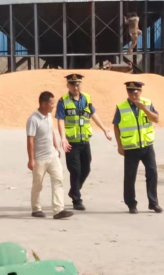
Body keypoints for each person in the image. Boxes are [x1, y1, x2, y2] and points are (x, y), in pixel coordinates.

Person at [56, 73, 112, 211]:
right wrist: (63, 138)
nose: (75, 87)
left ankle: (74, 190)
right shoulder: (63, 101)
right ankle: (77, 199)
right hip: (71, 142)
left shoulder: (86, 98)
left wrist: (104, 128)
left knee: (86, 169)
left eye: (77, 84)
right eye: (72, 84)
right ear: (67, 85)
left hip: (85, 141)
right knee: (75, 170)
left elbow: (93, 114)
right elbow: (60, 120)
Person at [113, 80, 163, 214]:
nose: (133, 95)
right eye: (130, 92)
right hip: (131, 147)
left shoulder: (147, 103)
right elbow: (116, 126)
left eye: (136, 92)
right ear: (127, 92)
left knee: (152, 174)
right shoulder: (121, 107)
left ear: (141, 91)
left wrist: (144, 109)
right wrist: (119, 145)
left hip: (147, 146)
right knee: (130, 177)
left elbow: (156, 119)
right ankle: (131, 204)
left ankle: (153, 203)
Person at [26, 91, 73, 220]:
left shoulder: (49, 116)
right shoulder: (33, 119)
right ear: (43, 104)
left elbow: (51, 132)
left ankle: (58, 210)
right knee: (38, 184)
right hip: (39, 159)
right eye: (51, 103)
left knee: (58, 179)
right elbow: (30, 140)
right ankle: (36, 208)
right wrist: (31, 159)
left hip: (52, 156)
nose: (53, 106)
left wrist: (56, 147)